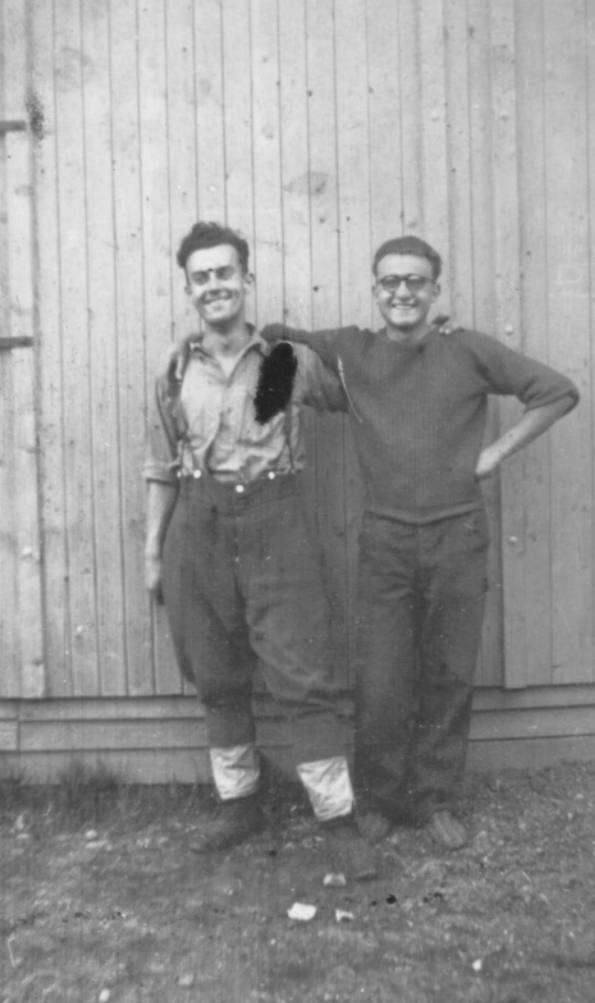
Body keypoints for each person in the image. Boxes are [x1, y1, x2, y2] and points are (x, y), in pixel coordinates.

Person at [263, 235, 579, 850]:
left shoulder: (468, 350)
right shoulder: (352, 348)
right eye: (390, 281)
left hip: (457, 535)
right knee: (381, 678)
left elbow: (558, 391)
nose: (402, 291)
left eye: (415, 281)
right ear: (375, 289)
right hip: (385, 538)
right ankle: (381, 797)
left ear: (436, 290)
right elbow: (277, 336)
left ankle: (435, 799)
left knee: (448, 672)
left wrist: (493, 454)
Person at [143, 221, 376, 877]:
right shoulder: (175, 370)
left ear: (246, 279)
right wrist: (152, 553)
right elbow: (159, 467)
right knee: (216, 674)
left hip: (276, 523)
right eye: (201, 277)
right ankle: (239, 806)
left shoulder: (282, 361)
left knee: (304, 675)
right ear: (188, 289)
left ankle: (337, 819)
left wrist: (414, 343)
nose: (214, 285)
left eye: (224, 272)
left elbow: (363, 390)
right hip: (199, 525)